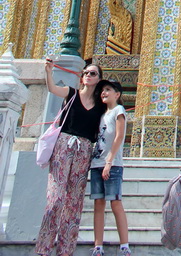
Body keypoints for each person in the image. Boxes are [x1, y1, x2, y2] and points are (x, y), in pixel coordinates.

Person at [36, 59, 105, 256]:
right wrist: (49, 71)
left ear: (98, 79)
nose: (88, 76)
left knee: (74, 203)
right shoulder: (71, 93)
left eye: (93, 73)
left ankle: (66, 250)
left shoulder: (100, 106)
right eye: (86, 73)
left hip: (84, 150)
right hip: (63, 146)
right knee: (55, 199)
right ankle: (44, 248)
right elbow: (52, 89)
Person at [90, 79, 130, 256]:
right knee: (99, 203)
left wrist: (109, 161)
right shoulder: (101, 114)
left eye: (108, 89)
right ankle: (98, 245)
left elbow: (119, 136)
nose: (104, 93)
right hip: (97, 163)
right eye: (102, 90)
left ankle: (124, 244)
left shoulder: (118, 111)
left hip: (111, 164)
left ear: (117, 94)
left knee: (115, 203)